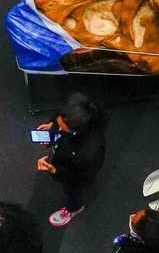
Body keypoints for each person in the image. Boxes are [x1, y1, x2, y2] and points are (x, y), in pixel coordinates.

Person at [35, 92, 106, 227]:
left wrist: (55, 171)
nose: (58, 127)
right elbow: (59, 116)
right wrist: (52, 125)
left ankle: (74, 208)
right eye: (59, 123)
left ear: (77, 131)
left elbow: (81, 176)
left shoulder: (90, 150)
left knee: (72, 191)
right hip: (64, 158)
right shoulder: (75, 108)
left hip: (74, 174)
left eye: (62, 128)